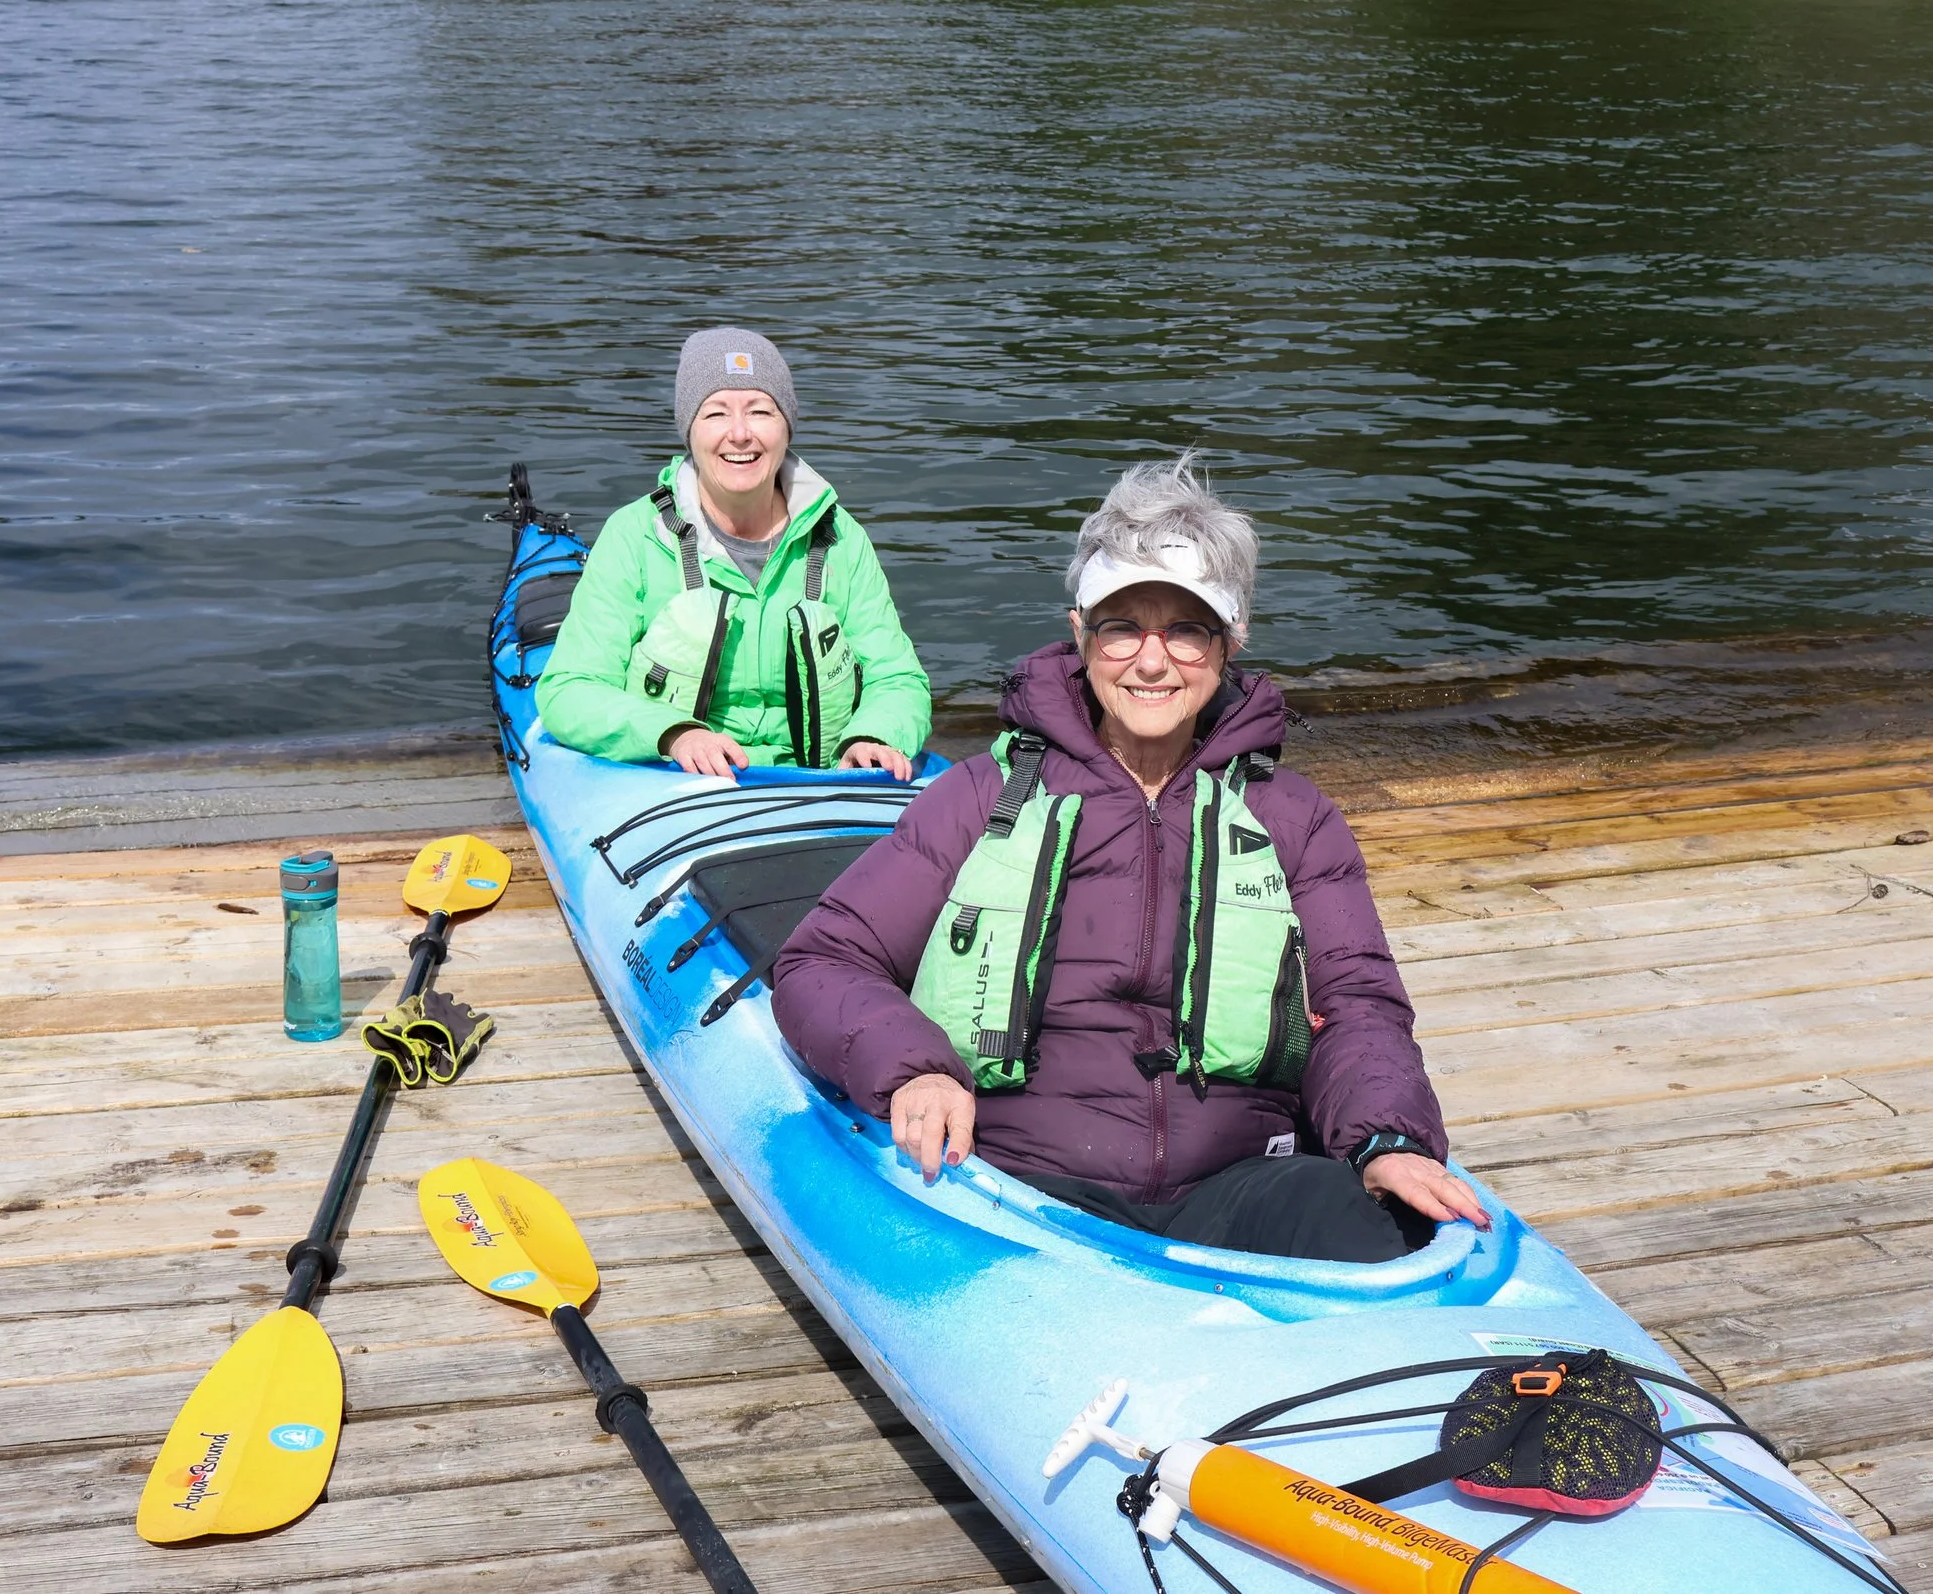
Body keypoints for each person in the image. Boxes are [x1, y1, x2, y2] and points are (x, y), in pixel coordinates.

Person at [773, 454, 1484, 1262]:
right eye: (1122, 626)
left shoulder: (1297, 817)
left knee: (1396, 1232)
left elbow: (1359, 1005)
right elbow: (823, 960)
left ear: (1231, 640)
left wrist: (1386, 1134)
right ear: (1081, 633)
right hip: (1021, 1183)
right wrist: (917, 1069)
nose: (1152, 660)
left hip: (1243, 1182)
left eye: (1186, 628)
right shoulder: (982, 796)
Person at [537, 327, 931, 780]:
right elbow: (569, 690)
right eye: (716, 414)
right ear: (690, 432)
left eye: (761, 411)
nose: (740, 434)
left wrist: (874, 737)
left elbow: (899, 679)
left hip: (821, 779)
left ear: (786, 427)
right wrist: (674, 734)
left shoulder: (842, 537)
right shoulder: (633, 535)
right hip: (673, 783)